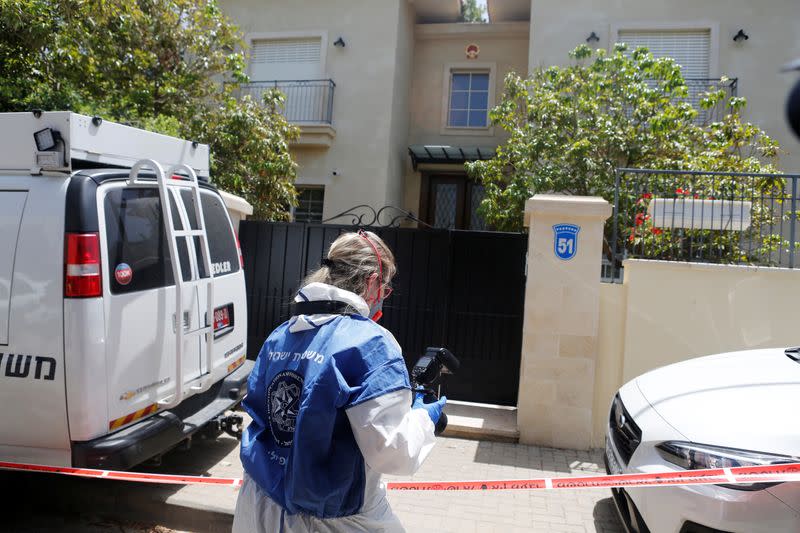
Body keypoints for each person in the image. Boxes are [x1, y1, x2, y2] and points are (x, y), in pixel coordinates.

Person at [233, 230, 446, 533]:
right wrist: (424, 418)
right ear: (372, 281)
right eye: (384, 289)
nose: (381, 299)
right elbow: (392, 452)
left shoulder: (281, 335)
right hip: (331, 517)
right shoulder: (371, 343)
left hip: (257, 503)